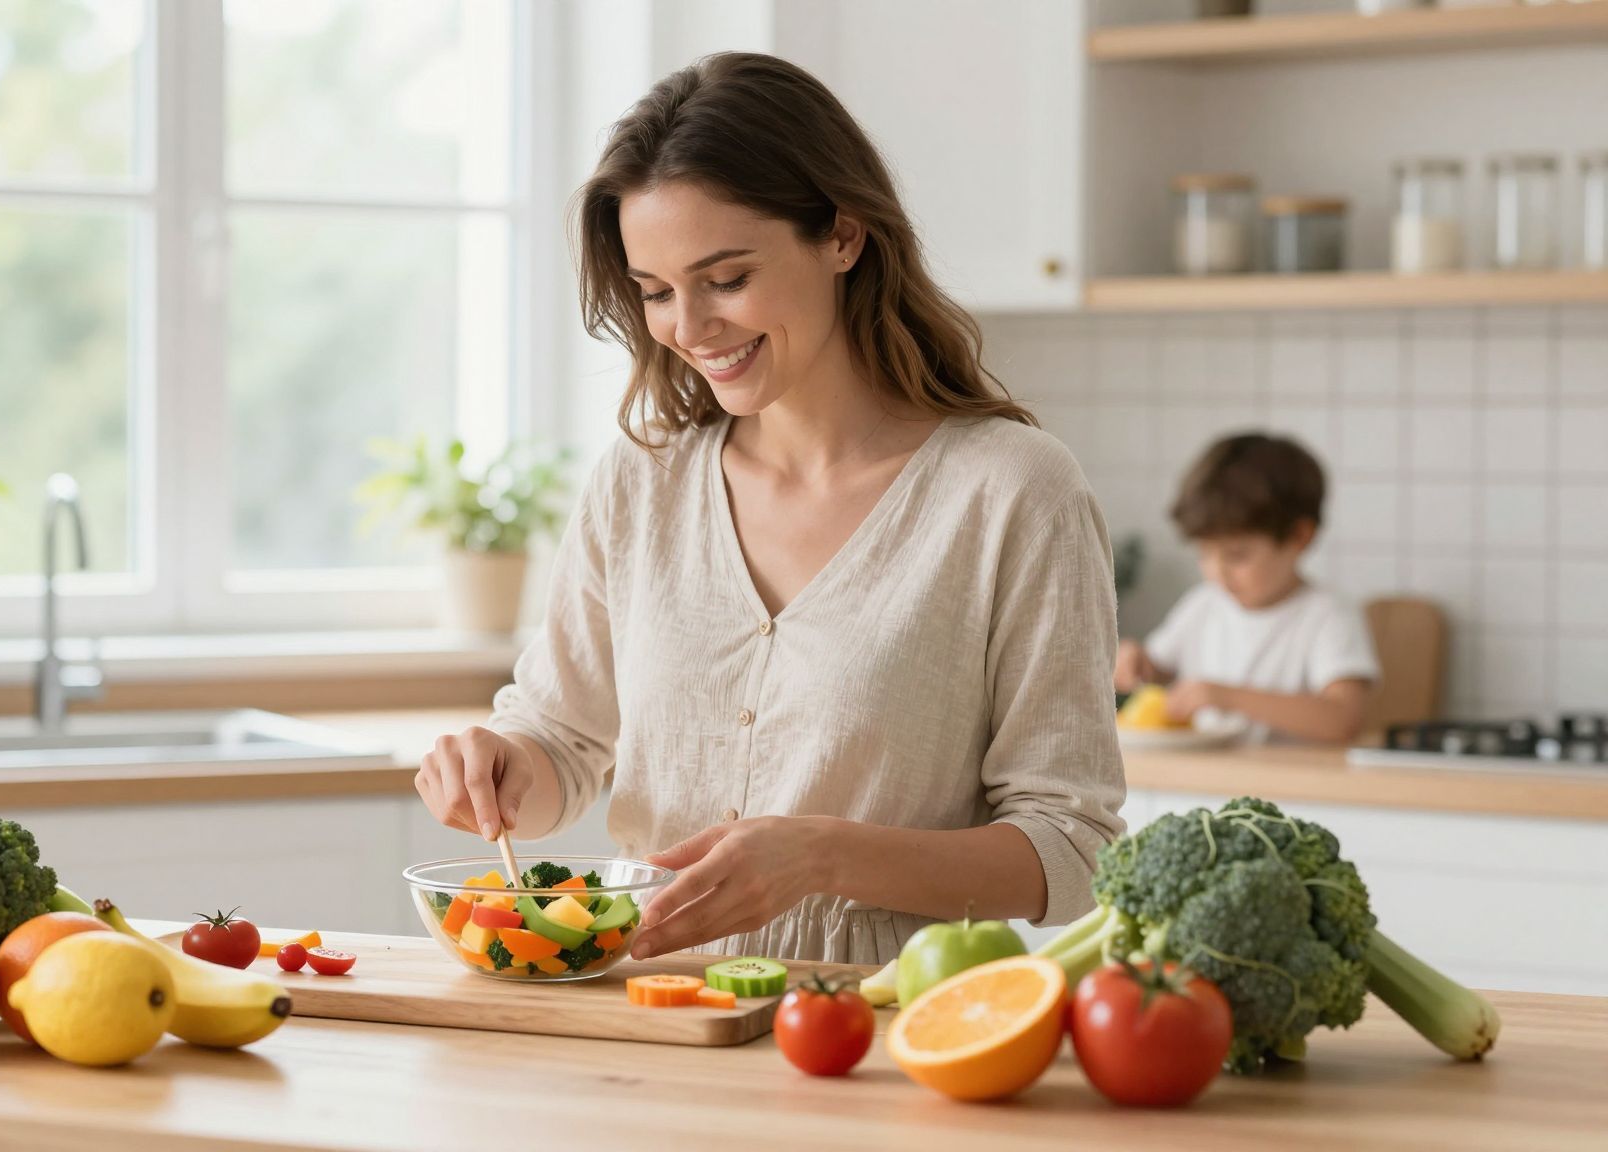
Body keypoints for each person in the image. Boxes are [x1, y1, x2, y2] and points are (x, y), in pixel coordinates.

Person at [413, 53, 1125, 966]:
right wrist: (504, 767)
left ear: (843, 236)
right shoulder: (641, 482)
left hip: (886, 1029)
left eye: (727, 278)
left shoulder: (1013, 491)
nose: (689, 328)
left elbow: (1072, 849)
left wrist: (824, 855)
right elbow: (564, 738)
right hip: (656, 1004)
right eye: (657, 292)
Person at [1116, 433, 1378, 745]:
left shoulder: (1328, 614)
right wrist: (1136, 662)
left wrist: (1226, 696)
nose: (1217, 573)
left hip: (1291, 788)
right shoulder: (1204, 604)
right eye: (1204, 553)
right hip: (1208, 782)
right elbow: (1156, 669)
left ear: (1300, 537)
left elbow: (1343, 719)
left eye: (1237, 555)